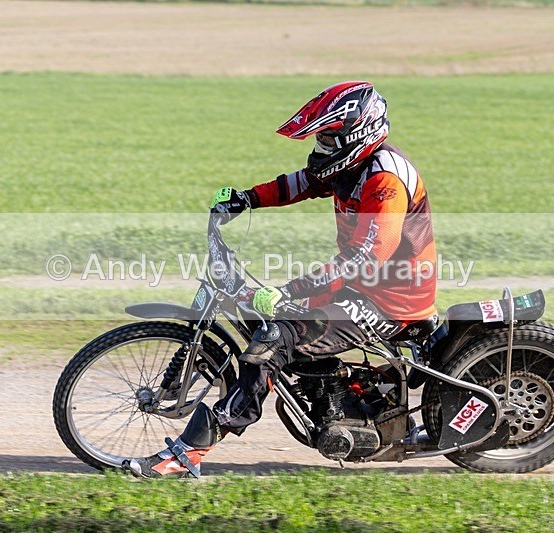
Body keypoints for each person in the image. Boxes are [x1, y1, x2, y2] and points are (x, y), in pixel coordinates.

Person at [126, 81, 438, 478]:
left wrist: (288, 290)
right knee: (283, 325)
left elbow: (366, 258)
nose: (321, 147)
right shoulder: (349, 165)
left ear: (355, 134)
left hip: (390, 301)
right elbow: (302, 183)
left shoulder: (384, 181)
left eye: (328, 138)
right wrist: (246, 198)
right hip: (363, 287)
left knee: (276, 337)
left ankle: (191, 451)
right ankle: (341, 398)